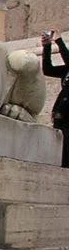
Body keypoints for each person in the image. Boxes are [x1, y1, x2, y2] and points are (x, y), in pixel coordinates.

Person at [42, 29, 69, 168]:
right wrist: (46, 47)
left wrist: (59, 41)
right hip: (61, 117)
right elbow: (47, 69)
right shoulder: (66, 70)